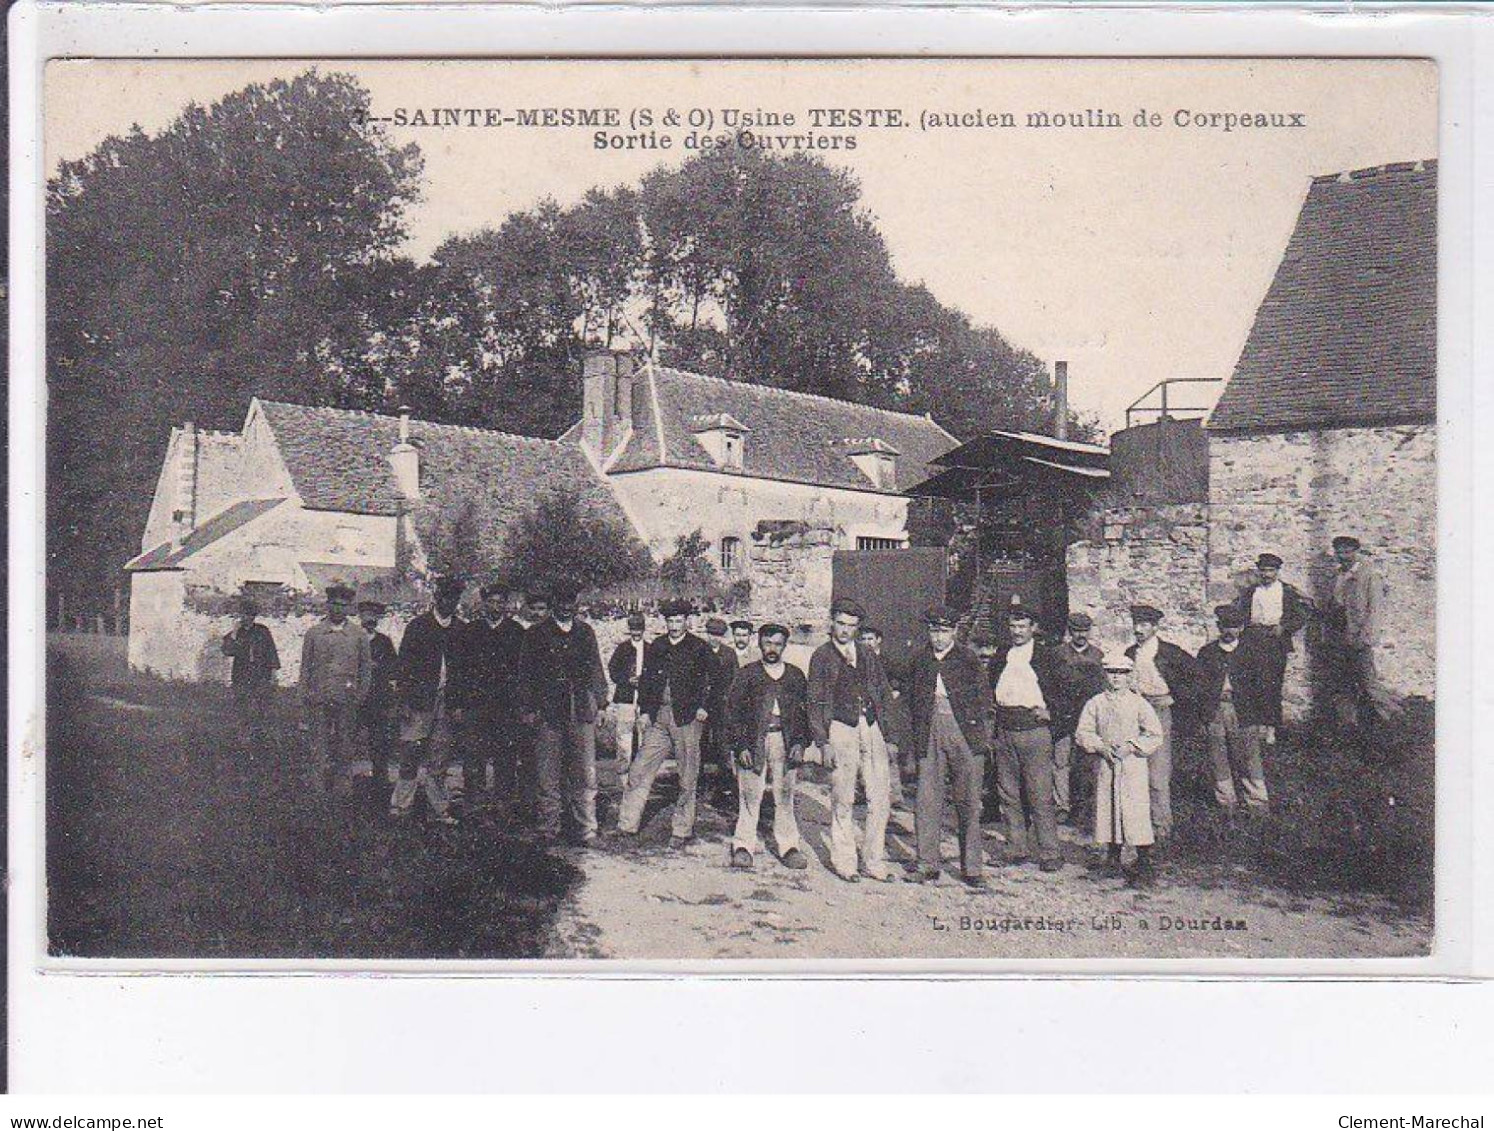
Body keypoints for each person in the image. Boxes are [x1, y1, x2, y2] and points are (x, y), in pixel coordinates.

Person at [615, 598, 720, 847]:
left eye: (679, 620)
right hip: (659, 717)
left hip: (687, 719)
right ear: (665, 622)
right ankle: (626, 825)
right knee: (640, 769)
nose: (674, 625)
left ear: (687, 621)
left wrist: (705, 707)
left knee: (687, 775)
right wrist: (645, 711)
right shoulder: (657, 646)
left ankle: (682, 830)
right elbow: (648, 682)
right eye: (670, 621)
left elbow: (716, 680)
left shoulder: (699, 647)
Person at [807, 598, 896, 883]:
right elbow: (815, 700)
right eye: (841, 624)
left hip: (870, 727)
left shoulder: (867, 655)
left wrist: (890, 735)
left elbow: (882, 693)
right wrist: (823, 741)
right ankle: (845, 861)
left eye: (852, 626)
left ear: (858, 628)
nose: (845, 631)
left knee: (879, 798)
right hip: (840, 728)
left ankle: (873, 860)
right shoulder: (822, 656)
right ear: (832, 622)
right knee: (843, 797)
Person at [907, 606, 993, 888]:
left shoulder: (968, 659)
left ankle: (972, 868)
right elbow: (912, 699)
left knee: (967, 800)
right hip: (930, 729)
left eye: (944, 631)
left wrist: (978, 737)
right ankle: (927, 863)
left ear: (954, 632)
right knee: (927, 798)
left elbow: (983, 699)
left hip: (964, 731)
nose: (939, 637)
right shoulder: (921, 659)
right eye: (934, 631)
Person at [518, 585, 608, 846]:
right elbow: (526, 675)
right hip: (549, 712)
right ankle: (549, 827)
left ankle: (587, 829)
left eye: (571, 601)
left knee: (585, 773)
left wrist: (601, 704)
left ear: (576, 603)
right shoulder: (536, 634)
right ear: (553, 603)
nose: (567, 606)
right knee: (548, 773)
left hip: (580, 708)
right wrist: (528, 709)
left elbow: (596, 669)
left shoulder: (585, 632)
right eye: (561, 601)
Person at [1073, 651, 1165, 888]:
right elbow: (1083, 731)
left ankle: (1143, 862)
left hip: (1132, 764)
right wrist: (1100, 747)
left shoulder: (1138, 703)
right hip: (1106, 763)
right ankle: (1112, 860)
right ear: (1105, 675)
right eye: (1112, 673)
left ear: (1128, 676)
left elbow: (1154, 733)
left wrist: (1132, 746)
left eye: (1121, 674)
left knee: (1135, 811)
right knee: (1108, 809)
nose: (1116, 678)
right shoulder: (1096, 703)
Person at [988, 601, 1066, 872]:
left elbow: (1067, 692)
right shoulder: (1001, 655)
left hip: (1034, 732)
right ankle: (1016, 847)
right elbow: (989, 688)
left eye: (1023, 626)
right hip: (1005, 729)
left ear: (1034, 628)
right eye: (1013, 626)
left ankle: (1049, 852)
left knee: (1039, 793)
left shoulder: (1047, 656)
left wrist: (1052, 713)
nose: (1017, 631)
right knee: (1008, 793)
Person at [726, 623, 811, 871]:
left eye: (777, 643)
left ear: (784, 646)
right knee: (750, 795)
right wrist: (741, 745)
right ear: (759, 644)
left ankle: (788, 846)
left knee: (784, 796)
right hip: (754, 741)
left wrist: (799, 742)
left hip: (784, 741)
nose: (772, 648)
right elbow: (733, 713)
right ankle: (743, 846)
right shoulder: (747, 674)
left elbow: (803, 713)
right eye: (767, 643)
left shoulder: (795, 676)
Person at [389, 578, 464, 824]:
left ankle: (438, 808)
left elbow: (465, 670)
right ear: (436, 598)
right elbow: (404, 666)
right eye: (444, 597)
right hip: (419, 700)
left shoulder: (460, 629)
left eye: (453, 598)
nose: (448, 603)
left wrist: (459, 704)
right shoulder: (418, 626)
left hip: (447, 700)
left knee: (439, 757)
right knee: (411, 752)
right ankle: (401, 806)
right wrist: (404, 702)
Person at [1124, 604, 1197, 842]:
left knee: (1158, 770)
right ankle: (1135, 824)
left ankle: (1162, 825)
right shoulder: (1130, 653)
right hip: (1135, 711)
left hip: (1160, 710)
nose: (1139, 629)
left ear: (1155, 627)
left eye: (1144, 625)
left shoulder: (1169, 652)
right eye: (1136, 624)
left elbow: (1196, 676)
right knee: (1134, 768)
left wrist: (1176, 697)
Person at [451, 583, 524, 809]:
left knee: (506, 755)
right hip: (476, 704)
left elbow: (523, 671)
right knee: (474, 755)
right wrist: (457, 703)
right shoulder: (470, 631)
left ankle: (503, 804)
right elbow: (458, 669)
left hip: (506, 705)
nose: (495, 606)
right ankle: (475, 803)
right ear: (484, 604)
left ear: (506, 604)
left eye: (500, 602)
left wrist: (521, 704)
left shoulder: (516, 631)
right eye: (491, 601)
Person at [1196, 605, 1273, 811]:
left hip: (1244, 710)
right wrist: (1204, 715)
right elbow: (1199, 687)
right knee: (1217, 755)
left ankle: (1256, 802)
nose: (1229, 631)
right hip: (1216, 709)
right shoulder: (1207, 653)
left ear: (1241, 628)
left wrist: (1264, 720)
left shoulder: (1252, 653)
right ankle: (1226, 802)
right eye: (1224, 626)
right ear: (1218, 627)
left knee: (1248, 755)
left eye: (1234, 627)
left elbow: (1263, 687)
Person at [299, 583, 371, 795]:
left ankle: (343, 786)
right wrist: (305, 695)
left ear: (349, 607)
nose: (338, 609)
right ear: (328, 605)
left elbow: (365, 670)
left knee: (345, 744)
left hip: (346, 698)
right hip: (319, 697)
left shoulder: (358, 635)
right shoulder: (314, 634)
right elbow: (305, 668)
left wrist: (359, 696)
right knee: (318, 744)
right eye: (334, 604)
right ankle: (317, 786)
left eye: (343, 605)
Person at [1234, 553, 1310, 744]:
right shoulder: (1251, 591)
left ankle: (1271, 728)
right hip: (1252, 639)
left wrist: (1284, 627)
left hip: (1275, 641)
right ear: (1259, 571)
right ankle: (1255, 726)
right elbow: (1241, 613)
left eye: (1271, 570)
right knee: (1252, 681)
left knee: (1272, 684)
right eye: (1264, 570)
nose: (1267, 574)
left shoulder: (1287, 592)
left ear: (1277, 571)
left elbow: (1301, 615)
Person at [1327, 535, 1392, 734]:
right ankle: (1348, 726)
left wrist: (1365, 638)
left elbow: (1375, 610)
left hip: (1358, 637)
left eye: (1347, 552)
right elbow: (1336, 605)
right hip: (1339, 634)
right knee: (1343, 683)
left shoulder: (1369, 575)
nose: (1343, 556)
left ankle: (1390, 720)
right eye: (1339, 552)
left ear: (1356, 552)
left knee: (1368, 681)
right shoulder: (1338, 574)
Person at [1052, 611, 1106, 827]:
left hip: (1088, 718)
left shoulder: (1098, 656)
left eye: (1084, 631)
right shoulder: (1057, 654)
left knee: (1086, 763)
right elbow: (1050, 685)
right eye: (1076, 631)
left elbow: (1102, 689)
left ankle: (1085, 807)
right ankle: (1061, 807)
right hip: (1063, 717)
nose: (1081, 635)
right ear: (1070, 631)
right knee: (1061, 763)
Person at [221, 595, 280, 760]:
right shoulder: (235, 634)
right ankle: (243, 742)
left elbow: (271, 652)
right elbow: (227, 651)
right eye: (243, 614)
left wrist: (273, 674)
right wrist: (233, 633)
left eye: (249, 615)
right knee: (243, 709)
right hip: (241, 677)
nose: (246, 618)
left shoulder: (262, 631)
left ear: (254, 616)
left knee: (262, 709)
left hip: (260, 676)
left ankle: (260, 741)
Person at [355, 600, 398, 790]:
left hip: (378, 697)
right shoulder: (353, 638)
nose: (370, 619)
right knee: (348, 735)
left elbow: (394, 667)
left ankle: (380, 778)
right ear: (360, 617)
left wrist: (380, 668)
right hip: (355, 696)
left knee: (379, 740)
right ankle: (344, 778)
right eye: (366, 615)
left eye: (373, 616)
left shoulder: (384, 641)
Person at [702, 616, 741, 810]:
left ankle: (724, 788)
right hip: (701, 705)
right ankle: (699, 787)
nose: (713, 639)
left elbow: (735, 680)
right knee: (699, 744)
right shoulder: (699, 651)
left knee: (722, 746)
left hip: (721, 706)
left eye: (717, 635)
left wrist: (729, 702)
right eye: (711, 634)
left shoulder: (729, 654)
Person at [607, 611, 648, 789]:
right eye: (633, 630)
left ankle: (641, 775)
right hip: (625, 699)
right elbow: (613, 671)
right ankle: (623, 775)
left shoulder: (650, 649)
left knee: (644, 738)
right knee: (624, 739)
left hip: (644, 700)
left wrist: (644, 681)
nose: (636, 633)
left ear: (643, 630)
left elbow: (656, 673)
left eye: (639, 630)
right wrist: (626, 679)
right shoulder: (622, 649)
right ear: (629, 630)